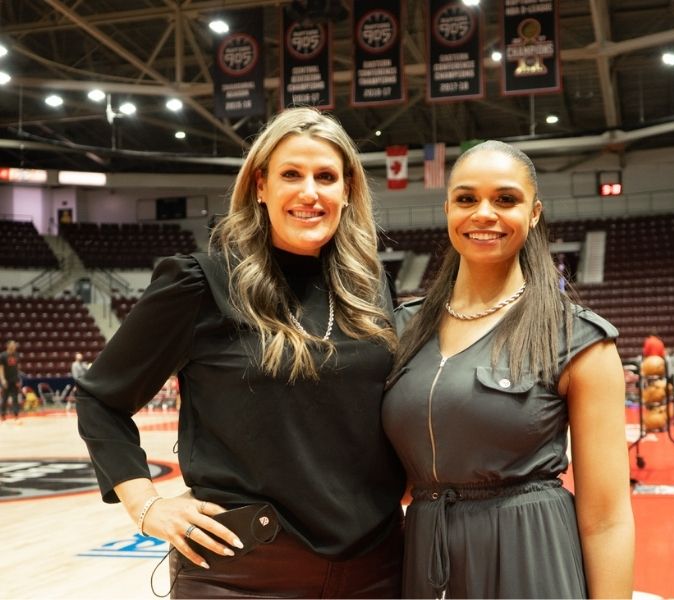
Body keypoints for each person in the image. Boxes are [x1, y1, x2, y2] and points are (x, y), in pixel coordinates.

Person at [76, 107, 405, 598]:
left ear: (347, 191)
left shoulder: (372, 289)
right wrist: (146, 505)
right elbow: (101, 399)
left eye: (326, 177)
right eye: (291, 174)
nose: (310, 192)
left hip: (376, 569)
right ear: (260, 186)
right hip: (243, 574)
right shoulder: (199, 283)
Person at [382, 141, 635, 598]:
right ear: (446, 209)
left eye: (505, 199)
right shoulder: (401, 328)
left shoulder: (575, 338)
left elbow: (607, 518)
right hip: (423, 558)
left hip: (531, 560)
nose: (483, 213)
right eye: (466, 199)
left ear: (534, 213)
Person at [0, 340, 22, 423]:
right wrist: (2, 379)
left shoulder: (16, 355)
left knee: (15, 398)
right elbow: (1, 368)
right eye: (13, 345)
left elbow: (17, 368)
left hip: (14, 380)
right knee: (4, 398)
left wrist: (18, 379)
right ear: (8, 346)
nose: (14, 346)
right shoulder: (3, 355)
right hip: (6, 380)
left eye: (15, 345)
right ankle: (3, 416)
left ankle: (16, 416)